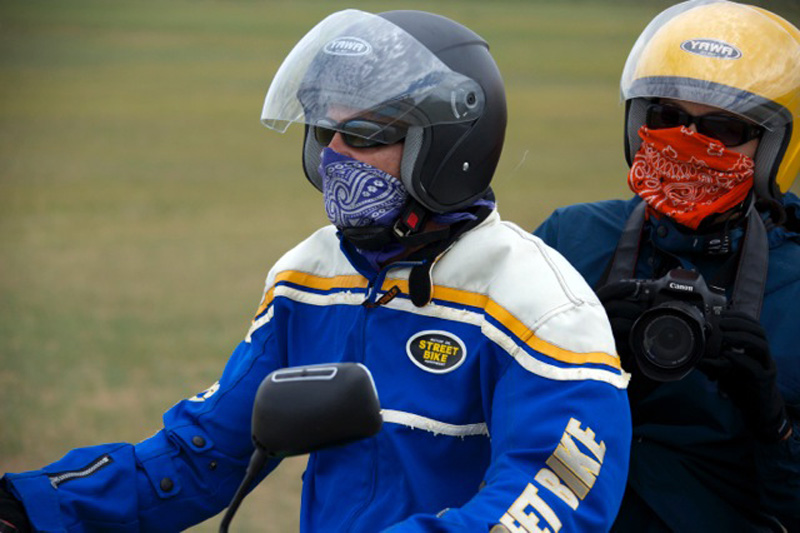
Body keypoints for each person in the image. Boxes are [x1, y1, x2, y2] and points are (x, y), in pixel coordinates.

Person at [0, 9, 632, 532]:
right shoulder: (310, 276)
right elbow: (207, 456)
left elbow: (547, 505)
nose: (332, 154)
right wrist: (34, 508)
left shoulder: (541, 305)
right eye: (323, 129)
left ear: (446, 148)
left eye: (360, 134)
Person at [534, 0, 800, 530]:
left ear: (775, 148)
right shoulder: (571, 241)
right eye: (665, 117)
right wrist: (569, 353)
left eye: (723, 129)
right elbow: (475, 429)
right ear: (636, 123)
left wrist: (774, 423)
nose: (687, 141)